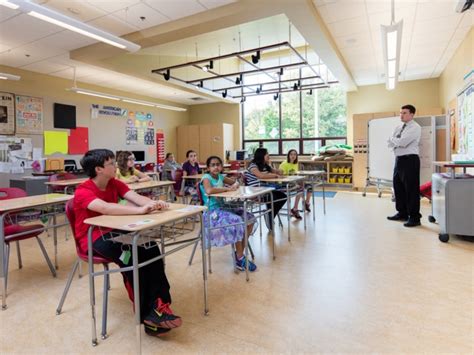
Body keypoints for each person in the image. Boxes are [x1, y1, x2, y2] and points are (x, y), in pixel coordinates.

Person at [74, 149, 182, 337]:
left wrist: (153, 203)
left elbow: (135, 198)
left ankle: (160, 303)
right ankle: (147, 314)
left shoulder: (114, 183)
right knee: (133, 257)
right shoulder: (83, 191)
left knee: (150, 247)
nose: (115, 165)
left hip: (117, 230)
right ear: (99, 169)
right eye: (111, 163)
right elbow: (105, 208)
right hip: (93, 238)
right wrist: (140, 211)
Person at [200, 156, 258, 271]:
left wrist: (235, 185)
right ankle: (240, 258)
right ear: (208, 168)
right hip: (212, 213)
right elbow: (209, 190)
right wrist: (227, 189)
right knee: (237, 220)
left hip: (224, 208)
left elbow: (236, 184)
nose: (216, 167)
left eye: (218, 164)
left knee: (250, 218)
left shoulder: (221, 176)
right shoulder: (206, 177)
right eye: (213, 165)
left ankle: (238, 253)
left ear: (221, 166)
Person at [387, 104, 422, 227]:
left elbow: (403, 142)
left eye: (404, 113)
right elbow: (389, 142)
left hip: (410, 160)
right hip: (399, 160)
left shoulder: (415, 127)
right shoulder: (399, 127)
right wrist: (395, 141)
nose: (401, 115)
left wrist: (394, 141)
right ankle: (402, 213)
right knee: (398, 186)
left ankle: (414, 217)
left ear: (412, 114)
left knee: (411, 189)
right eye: (401, 113)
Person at [244, 148, 287, 231]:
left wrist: (280, 171)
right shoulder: (253, 165)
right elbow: (261, 176)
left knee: (282, 196)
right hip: (255, 191)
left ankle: (270, 215)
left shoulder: (265, 165)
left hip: (264, 188)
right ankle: (269, 215)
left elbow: (276, 171)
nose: (268, 155)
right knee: (275, 197)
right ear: (261, 155)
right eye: (266, 154)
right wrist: (274, 175)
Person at [279, 149, 312, 219]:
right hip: (285, 184)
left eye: (295, 154)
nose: (293, 156)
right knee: (300, 188)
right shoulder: (284, 164)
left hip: (293, 182)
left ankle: (306, 203)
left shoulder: (295, 163)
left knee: (309, 186)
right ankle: (295, 208)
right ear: (288, 156)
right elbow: (281, 177)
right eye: (291, 154)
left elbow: (295, 174)